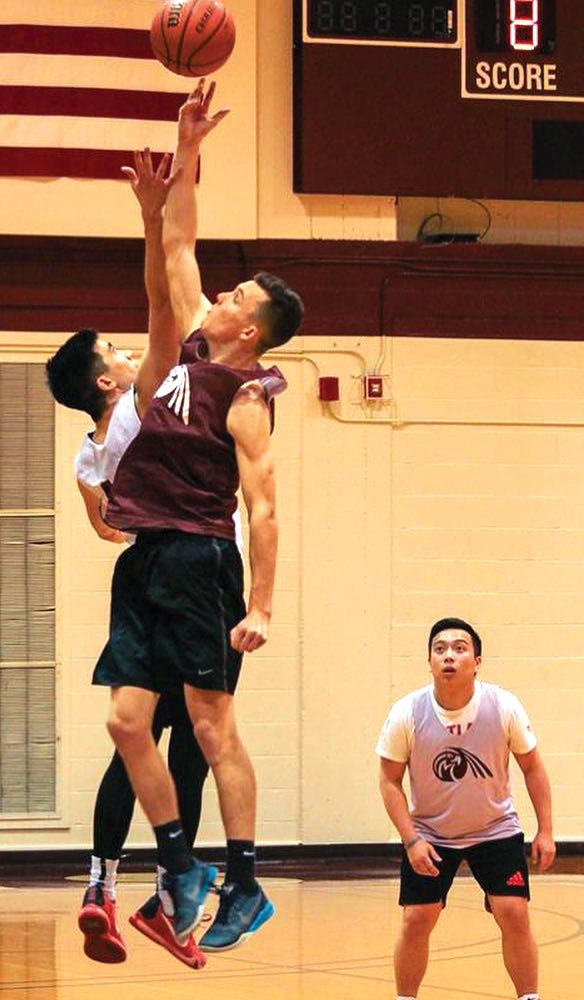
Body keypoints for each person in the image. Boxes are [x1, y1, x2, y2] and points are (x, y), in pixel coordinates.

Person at [92, 81, 304, 952]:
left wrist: (259, 606)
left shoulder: (247, 393)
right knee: (126, 721)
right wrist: (181, 161)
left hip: (202, 564)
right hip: (146, 555)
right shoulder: (185, 349)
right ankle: (180, 867)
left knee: (213, 726)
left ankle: (245, 883)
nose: (217, 291)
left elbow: (264, 508)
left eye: (235, 295)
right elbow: (177, 245)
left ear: (249, 329)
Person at [45, 132, 225, 967]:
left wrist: (161, 212)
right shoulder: (136, 404)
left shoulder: (91, 446)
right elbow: (162, 298)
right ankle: (170, 888)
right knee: (185, 737)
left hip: (139, 568)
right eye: (115, 355)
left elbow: (101, 518)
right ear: (111, 382)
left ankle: (104, 884)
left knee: (132, 729)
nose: (128, 349)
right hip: (188, 562)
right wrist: (155, 219)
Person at [377, 617, 556, 1000]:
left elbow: (533, 767)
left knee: (514, 912)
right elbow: (389, 780)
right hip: (430, 835)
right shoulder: (407, 712)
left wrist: (546, 830)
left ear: (477, 661)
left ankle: (529, 996)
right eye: (439, 649)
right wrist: (411, 840)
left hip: (495, 830)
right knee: (417, 918)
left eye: (460, 648)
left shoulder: (502, 705)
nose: (449, 656)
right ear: (429, 662)